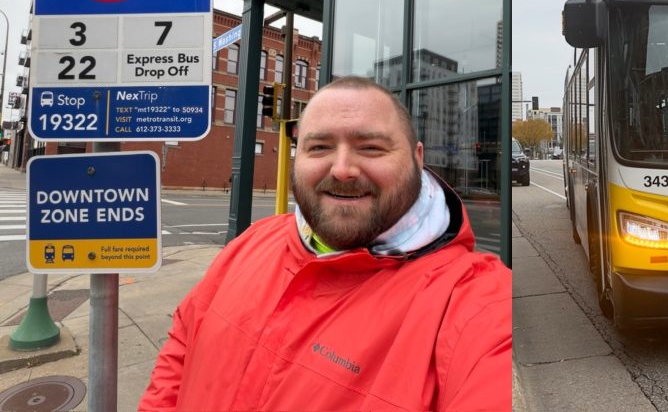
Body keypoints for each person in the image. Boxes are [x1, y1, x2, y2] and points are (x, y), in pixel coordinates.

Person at [139, 76, 511, 411]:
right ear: (297, 157)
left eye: (370, 148)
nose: (342, 168)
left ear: (416, 159)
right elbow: (181, 351)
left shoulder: (473, 302)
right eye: (319, 148)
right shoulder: (252, 242)